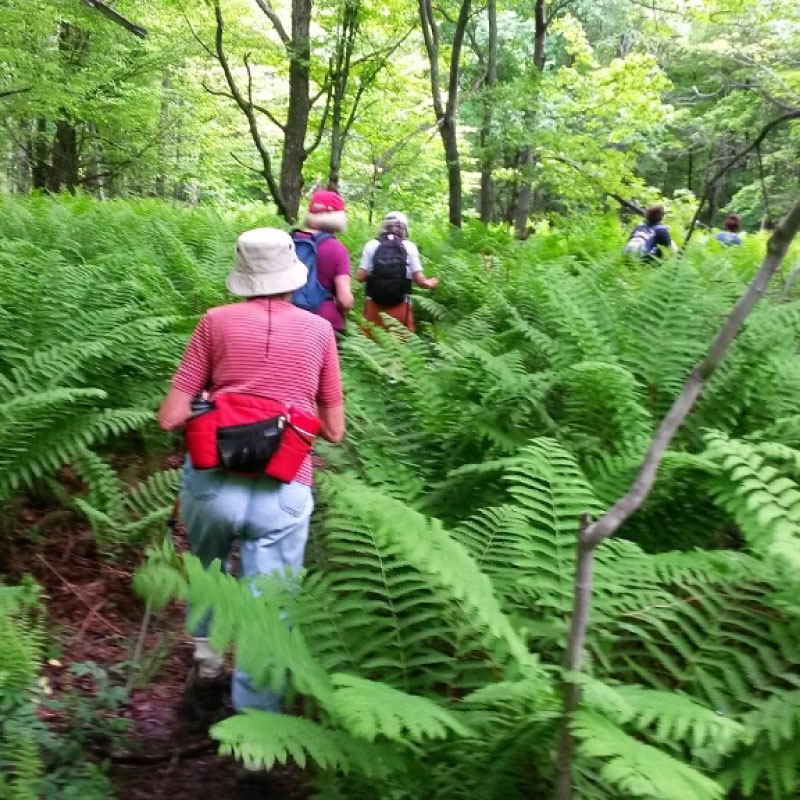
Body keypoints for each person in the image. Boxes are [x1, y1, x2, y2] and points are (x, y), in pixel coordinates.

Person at [157, 227, 344, 717]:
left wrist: (215, 400)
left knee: (209, 569)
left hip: (212, 484)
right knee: (270, 610)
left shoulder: (213, 322)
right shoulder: (320, 331)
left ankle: (207, 668)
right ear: (292, 275)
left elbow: (170, 416)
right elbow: (335, 431)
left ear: (241, 274)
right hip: (283, 487)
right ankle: (257, 749)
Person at [356, 211, 439, 333]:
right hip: (401, 306)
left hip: (373, 305)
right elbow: (421, 282)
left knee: (371, 344)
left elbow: (360, 277)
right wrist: (433, 282)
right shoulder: (409, 247)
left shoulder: (371, 245)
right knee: (401, 347)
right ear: (405, 228)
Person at [292, 189, 354, 335]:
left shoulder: (288, 242)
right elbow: (344, 299)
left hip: (289, 321)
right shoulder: (337, 249)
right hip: (325, 322)